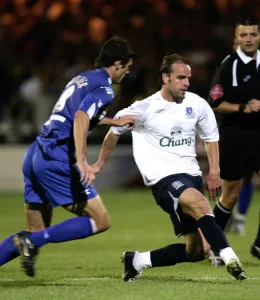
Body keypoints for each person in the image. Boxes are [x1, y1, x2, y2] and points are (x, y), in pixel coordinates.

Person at [0, 36, 136, 288]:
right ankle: (33, 242)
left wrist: (113, 122)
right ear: (119, 63)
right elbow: (79, 117)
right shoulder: (105, 88)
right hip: (58, 158)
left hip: (36, 153)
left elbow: (75, 114)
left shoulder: (82, 78)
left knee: (34, 231)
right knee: (101, 220)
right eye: (128, 66)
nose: (129, 71)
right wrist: (81, 161)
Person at [91, 53, 246, 282]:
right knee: (200, 203)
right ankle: (229, 256)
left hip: (190, 176)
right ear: (165, 77)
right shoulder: (145, 108)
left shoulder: (197, 104)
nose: (186, 83)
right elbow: (114, 131)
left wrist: (214, 172)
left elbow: (211, 138)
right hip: (163, 179)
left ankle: (137, 260)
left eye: (188, 78)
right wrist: (99, 163)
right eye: (181, 77)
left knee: (196, 251)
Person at [207, 16, 260, 265]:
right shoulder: (229, 65)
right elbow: (215, 102)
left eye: (253, 34)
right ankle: (215, 248)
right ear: (236, 38)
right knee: (231, 194)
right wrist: (244, 108)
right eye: (244, 35)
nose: (248, 39)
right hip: (235, 136)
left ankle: (259, 244)